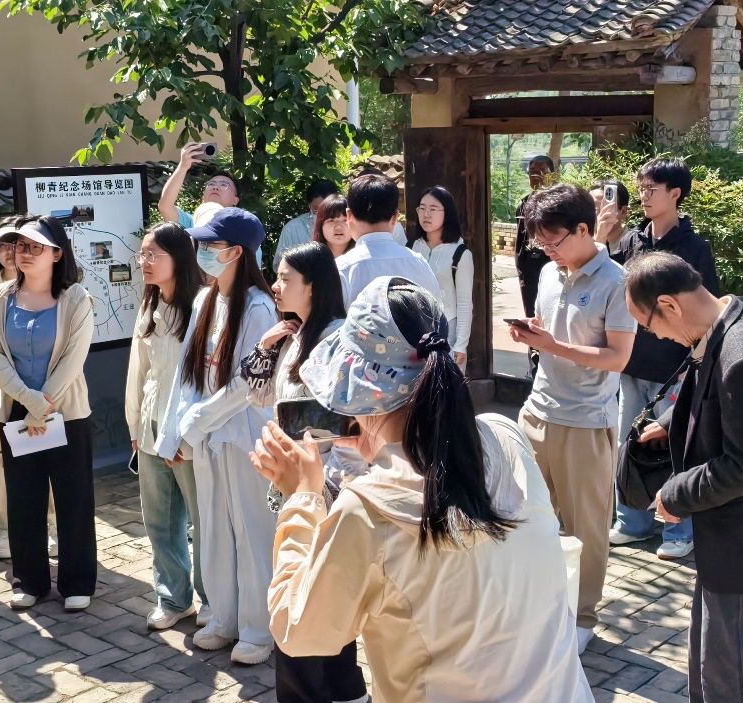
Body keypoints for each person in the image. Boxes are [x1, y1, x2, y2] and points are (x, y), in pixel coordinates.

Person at [252, 277, 593, 703]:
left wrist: (302, 497)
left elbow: (300, 632)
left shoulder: (366, 510)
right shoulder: (506, 437)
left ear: (360, 392)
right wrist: (380, 449)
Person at [624, 251, 743, 703]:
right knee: (717, 660)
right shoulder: (731, 316)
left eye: (649, 325)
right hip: (737, 537)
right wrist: (672, 421)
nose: (655, 336)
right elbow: (718, 394)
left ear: (669, 305)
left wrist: (675, 494)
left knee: (737, 672)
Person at [507, 184, 636, 652]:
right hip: (536, 411)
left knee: (586, 528)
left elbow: (618, 357)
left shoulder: (617, 282)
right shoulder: (548, 272)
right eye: (540, 241)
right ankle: (539, 603)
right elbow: (554, 334)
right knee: (528, 517)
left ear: (584, 229)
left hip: (586, 421)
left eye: (553, 240)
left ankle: (582, 615)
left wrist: (554, 346)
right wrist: (535, 335)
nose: (547, 249)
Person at [239, 242, 364, 703]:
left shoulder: (337, 338)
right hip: (297, 483)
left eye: (285, 278)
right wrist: (266, 344)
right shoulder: (295, 334)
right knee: (318, 590)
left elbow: (346, 416)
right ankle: (345, 688)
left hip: (327, 483)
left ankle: (324, 689)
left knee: (306, 594)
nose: (275, 286)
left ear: (313, 285)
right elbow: (256, 394)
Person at [154, 208, 280, 665]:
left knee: (252, 531)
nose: (203, 252)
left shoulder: (259, 307)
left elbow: (248, 383)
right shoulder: (207, 299)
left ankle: (258, 628)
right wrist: (176, 432)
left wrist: (197, 420)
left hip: (244, 438)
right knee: (214, 529)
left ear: (237, 253)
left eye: (212, 245)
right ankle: (224, 618)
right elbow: (188, 372)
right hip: (208, 437)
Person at [0, 217, 100, 612]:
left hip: (66, 409)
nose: (25, 253)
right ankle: (28, 580)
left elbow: (73, 360)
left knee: (73, 498)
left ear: (57, 254)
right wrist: (30, 403)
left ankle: (77, 582)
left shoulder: (76, 298)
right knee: (24, 497)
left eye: (35, 246)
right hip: (17, 410)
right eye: (20, 246)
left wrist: (43, 402)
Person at [608, 157, 719, 562]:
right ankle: (632, 522)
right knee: (630, 444)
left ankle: (678, 529)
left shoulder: (694, 248)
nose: (643, 196)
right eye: (641, 188)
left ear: (676, 193)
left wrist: (696, 364)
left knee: (676, 448)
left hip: (675, 368)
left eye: (652, 189)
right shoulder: (631, 242)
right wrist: (603, 237)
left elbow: (707, 311)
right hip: (632, 364)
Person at [125, 222, 209, 631]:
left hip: (188, 431)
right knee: (159, 519)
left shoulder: (202, 308)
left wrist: (185, 433)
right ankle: (173, 598)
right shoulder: (150, 305)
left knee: (202, 519)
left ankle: (213, 599)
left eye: (153, 254)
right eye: (142, 254)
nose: (144, 262)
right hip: (151, 424)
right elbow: (138, 371)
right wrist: (134, 425)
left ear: (180, 258)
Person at [0, 216, 58, 560]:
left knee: (44, 457)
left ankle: (50, 525)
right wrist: (3, 385)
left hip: (40, 395)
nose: (10, 251)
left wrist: (31, 394)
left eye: (17, 244)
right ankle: (10, 526)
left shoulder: (48, 289)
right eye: (2, 245)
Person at [333, 174, 442, 305]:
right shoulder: (419, 263)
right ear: (395, 217)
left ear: (349, 216)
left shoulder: (341, 269)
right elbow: (436, 313)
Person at [160, 142, 263, 266]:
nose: (216, 187)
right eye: (211, 184)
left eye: (224, 185)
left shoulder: (245, 230)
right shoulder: (191, 222)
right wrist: (183, 167)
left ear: (235, 201)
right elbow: (165, 206)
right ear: (202, 198)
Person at [409, 186, 474, 369]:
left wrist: (461, 344)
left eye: (433, 208)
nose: (426, 214)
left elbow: (464, 303)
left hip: (446, 329)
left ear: (447, 212)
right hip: (414, 328)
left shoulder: (460, 254)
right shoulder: (411, 248)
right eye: (422, 208)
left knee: (443, 381)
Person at [512, 155, 556, 316]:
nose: (537, 175)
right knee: (531, 309)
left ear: (552, 174)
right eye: (532, 172)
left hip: (553, 261)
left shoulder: (560, 202)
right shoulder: (524, 203)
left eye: (542, 170)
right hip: (529, 265)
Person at [272, 180, 341, 270]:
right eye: (316, 209)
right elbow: (279, 266)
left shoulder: (345, 227)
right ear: (309, 205)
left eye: (328, 209)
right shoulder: (292, 228)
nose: (322, 215)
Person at [590, 180, 630, 248]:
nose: (595, 213)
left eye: (603, 208)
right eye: (590, 207)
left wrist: (601, 238)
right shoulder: (580, 242)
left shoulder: (633, 245)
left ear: (623, 211)